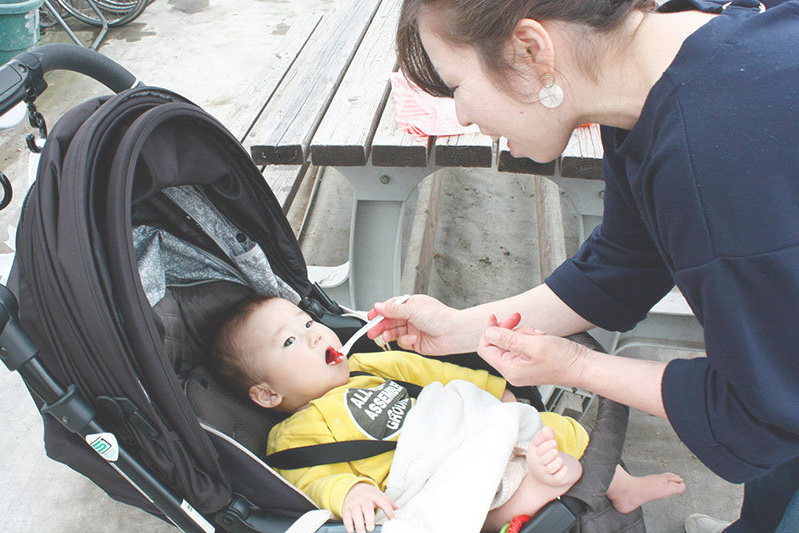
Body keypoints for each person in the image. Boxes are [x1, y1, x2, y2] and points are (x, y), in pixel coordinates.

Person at [365, 0, 799, 531]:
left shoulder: (710, 155)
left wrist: (572, 366)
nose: (461, 116)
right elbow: (621, 265)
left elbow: (765, 408)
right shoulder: (657, 76)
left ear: (531, 49)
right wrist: (458, 329)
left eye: (457, 86)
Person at [209, 296, 686, 533]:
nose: (316, 335)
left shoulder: (368, 364)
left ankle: (621, 486)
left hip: (459, 427)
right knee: (452, 507)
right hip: (421, 473)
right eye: (291, 341)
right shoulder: (294, 435)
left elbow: (430, 374)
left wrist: (497, 393)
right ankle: (529, 496)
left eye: (308, 322)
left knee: (555, 426)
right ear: (267, 395)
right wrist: (348, 488)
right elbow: (309, 479)